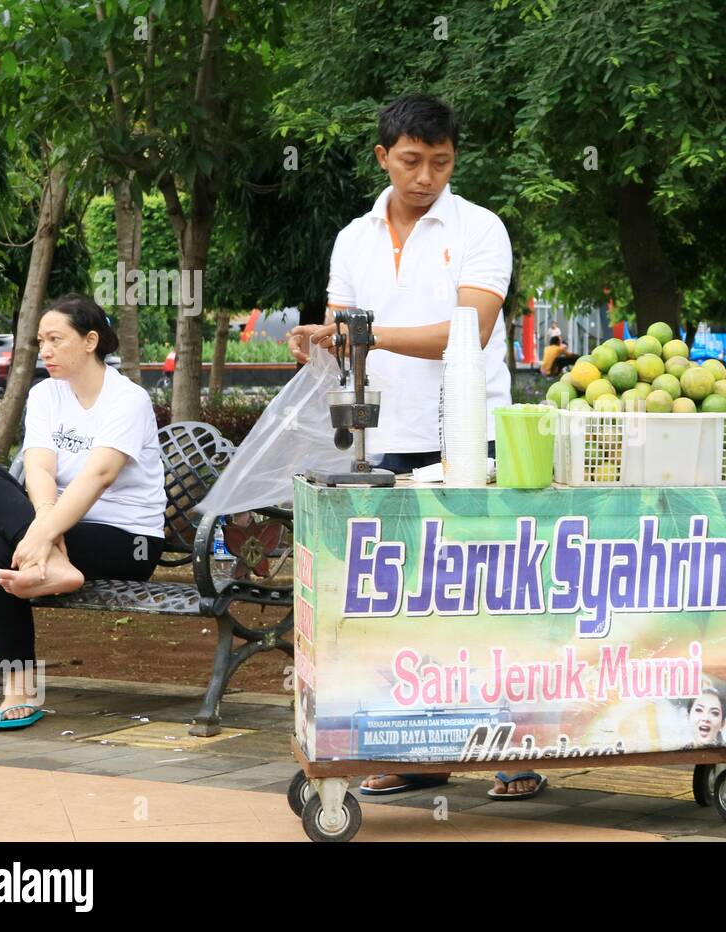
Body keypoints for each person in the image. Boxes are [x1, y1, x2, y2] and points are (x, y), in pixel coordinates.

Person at [287, 94, 545, 801]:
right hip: (382, 436)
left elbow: (471, 331)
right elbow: (342, 333)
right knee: (401, 598)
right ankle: (418, 755)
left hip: (469, 434)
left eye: (440, 161)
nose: (426, 175)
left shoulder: (481, 229)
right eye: (411, 161)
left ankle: (512, 747)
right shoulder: (353, 238)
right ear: (383, 157)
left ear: (453, 159)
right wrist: (319, 339)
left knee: (485, 591)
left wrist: (357, 334)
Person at [0, 294, 166, 730]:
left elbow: (99, 476)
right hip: (62, 524)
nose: (46, 351)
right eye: (40, 342)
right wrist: (44, 532)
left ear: (90, 340)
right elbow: (38, 465)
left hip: (128, 539)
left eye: (56, 339)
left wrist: (38, 534)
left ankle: (51, 558)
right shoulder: (45, 394)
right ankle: (20, 688)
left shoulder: (127, 399)